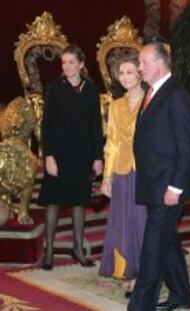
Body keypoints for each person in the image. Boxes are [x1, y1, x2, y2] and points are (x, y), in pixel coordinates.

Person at [127, 39, 190, 311]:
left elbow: (185, 144)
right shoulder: (153, 91)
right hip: (153, 183)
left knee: (152, 248)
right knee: (166, 243)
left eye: (143, 62)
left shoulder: (176, 94)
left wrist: (176, 188)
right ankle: (182, 296)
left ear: (158, 63)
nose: (139, 67)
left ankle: (140, 306)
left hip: (169, 185)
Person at [38, 44, 103, 270]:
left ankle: (77, 248)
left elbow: (96, 125)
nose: (66, 66)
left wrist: (98, 157)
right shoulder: (55, 88)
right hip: (58, 153)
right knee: (53, 202)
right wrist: (49, 156)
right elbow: (46, 126)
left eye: (71, 62)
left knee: (79, 202)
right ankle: (49, 252)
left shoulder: (92, 89)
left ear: (81, 64)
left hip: (83, 155)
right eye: (63, 62)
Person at [98, 53, 147, 298]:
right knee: (123, 223)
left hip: (145, 172)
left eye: (130, 72)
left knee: (141, 222)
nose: (126, 77)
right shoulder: (115, 105)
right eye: (122, 73)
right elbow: (112, 144)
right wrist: (107, 178)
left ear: (140, 73)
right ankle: (128, 272)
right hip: (122, 171)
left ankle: (143, 273)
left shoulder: (151, 101)